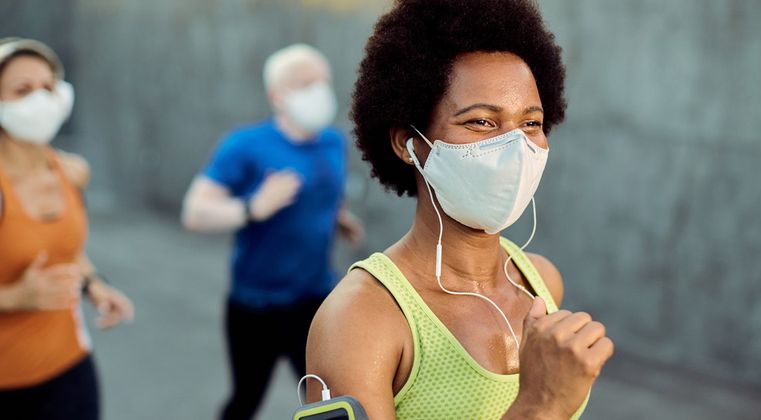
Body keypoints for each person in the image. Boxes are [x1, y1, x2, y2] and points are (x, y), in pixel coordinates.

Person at [305, 1, 615, 419]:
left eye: (531, 124)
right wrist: (542, 405)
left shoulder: (541, 281)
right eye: (482, 122)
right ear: (409, 144)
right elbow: (546, 406)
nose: (516, 148)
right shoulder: (361, 318)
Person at [181, 43, 364, 420]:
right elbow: (195, 212)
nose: (317, 91)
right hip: (255, 306)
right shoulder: (245, 146)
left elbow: (327, 196)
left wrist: (339, 219)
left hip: (316, 301)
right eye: (304, 83)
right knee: (246, 399)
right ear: (277, 95)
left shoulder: (334, 143)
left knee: (330, 403)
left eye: (322, 81)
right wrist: (252, 207)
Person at [0, 38, 135, 420]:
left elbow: (65, 249)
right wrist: (13, 296)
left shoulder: (73, 170)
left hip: (70, 367)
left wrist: (93, 284)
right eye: (22, 90)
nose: (40, 100)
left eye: (48, 87)